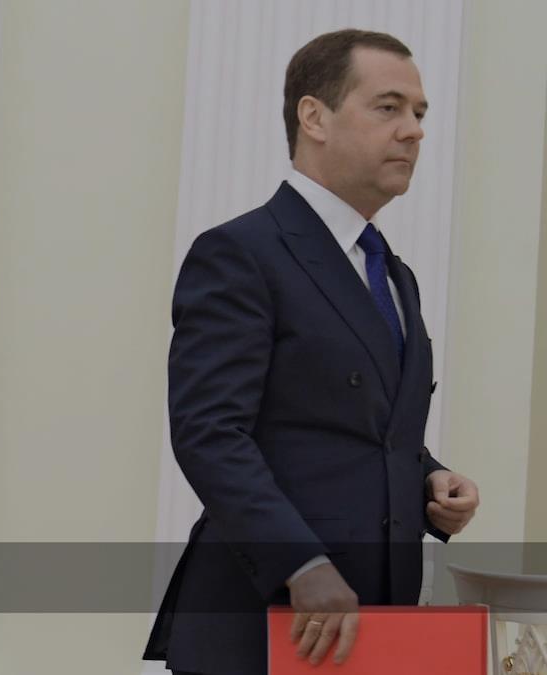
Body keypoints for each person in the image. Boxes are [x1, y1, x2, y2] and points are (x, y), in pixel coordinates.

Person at [143, 29, 480, 675]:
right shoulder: (241, 253)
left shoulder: (394, 276)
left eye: (419, 113)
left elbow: (360, 431)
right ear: (314, 117)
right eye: (388, 107)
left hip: (375, 627)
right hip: (260, 626)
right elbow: (209, 432)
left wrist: (430, 478)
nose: (414, 130)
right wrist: (299, 562)